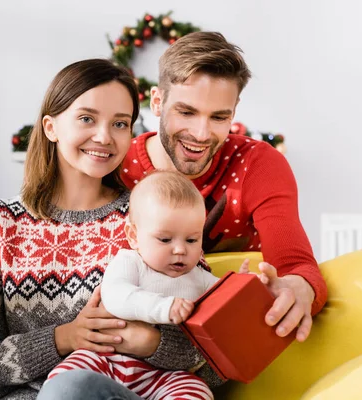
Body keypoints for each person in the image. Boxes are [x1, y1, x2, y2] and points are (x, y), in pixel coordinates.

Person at [0, 58, 223, 400]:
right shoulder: (1, 224)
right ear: (51, 127)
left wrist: (150, 343)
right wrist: (63, 338)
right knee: (71, 387)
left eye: (120, 124)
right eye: (86, 118)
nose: (104, 136)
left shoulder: (151, 219)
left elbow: (217, 364)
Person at [120, 31, 327, 343]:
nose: (201, 134)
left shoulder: (258, 164)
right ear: (157, 102)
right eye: (186, 112)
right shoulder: (117, 166)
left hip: (235, 337)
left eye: (219, 117)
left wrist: (299, 286)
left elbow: (297, 265)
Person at [45, 170, 219, 400]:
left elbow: (227, 303)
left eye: (192, 240)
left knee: (197, 391)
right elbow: (117, 297)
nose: (180, 250)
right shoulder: (130, 262)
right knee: (67, 378)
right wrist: (164, 308)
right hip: (107, 360)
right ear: (134, 236)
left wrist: (247, 286)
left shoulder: (200, 277)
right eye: (165, 239)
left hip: (168, 374)